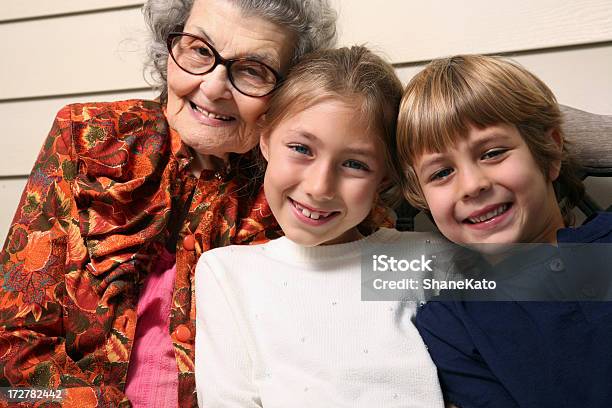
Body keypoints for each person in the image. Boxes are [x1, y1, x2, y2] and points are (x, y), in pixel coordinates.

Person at [0, 0, 337, 406]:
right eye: (198, 50)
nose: (212, 87)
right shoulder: (87, 138)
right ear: (169, 48)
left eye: (252, 70)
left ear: (288, 93)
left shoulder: (300, 191)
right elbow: (15, 344)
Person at [194, 46, 445, 407]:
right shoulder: (228, 273)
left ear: (385, 177)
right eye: (300, 148)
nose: (319, 187)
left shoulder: (423, 258)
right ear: (265, 139)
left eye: (355, 164)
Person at [396, 54, 612, 407]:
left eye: (492, 153)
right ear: (422, 197)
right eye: (441, 173)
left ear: (550, 152)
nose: (472, 185)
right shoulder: (452, 324)